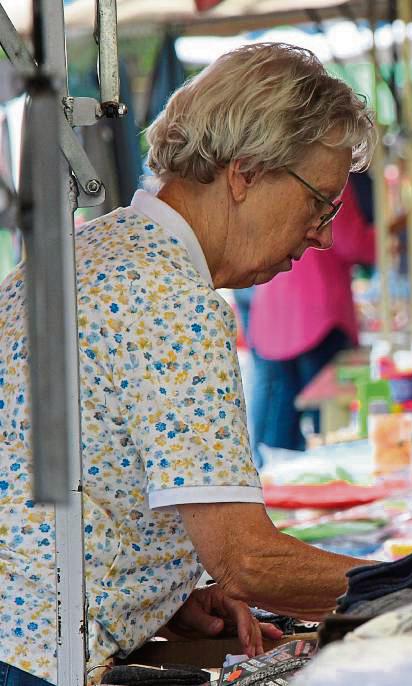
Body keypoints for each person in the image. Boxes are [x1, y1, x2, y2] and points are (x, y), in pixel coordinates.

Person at [0, 43, 376, 684]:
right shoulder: (172, 297)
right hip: (33, 659)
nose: (324, 235)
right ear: (246, 173)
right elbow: (245, 560)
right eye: (321, 203)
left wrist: (159, 592)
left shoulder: (89, 248)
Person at [244, 172, 376, 463]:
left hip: (275, 309)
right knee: (323, 423)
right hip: (317, 311)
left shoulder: (277, 175)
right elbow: (350, 241)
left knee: (280, 412)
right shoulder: (329, 177)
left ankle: (274, 487)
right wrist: (385, 239)